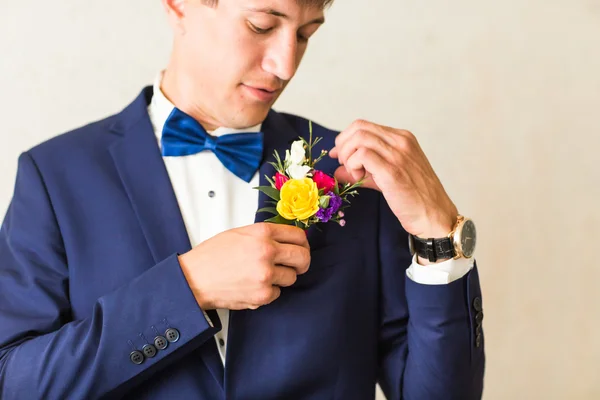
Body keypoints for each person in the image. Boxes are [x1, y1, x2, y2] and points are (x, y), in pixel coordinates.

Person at [0, 0, 485, 399]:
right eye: (262, 25)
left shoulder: (351, 171)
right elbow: (14, 381)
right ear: (179, 5)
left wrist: (438, 236)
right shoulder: (55, 176)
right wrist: (187, 289)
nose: (285, 65)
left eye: (305, 34)